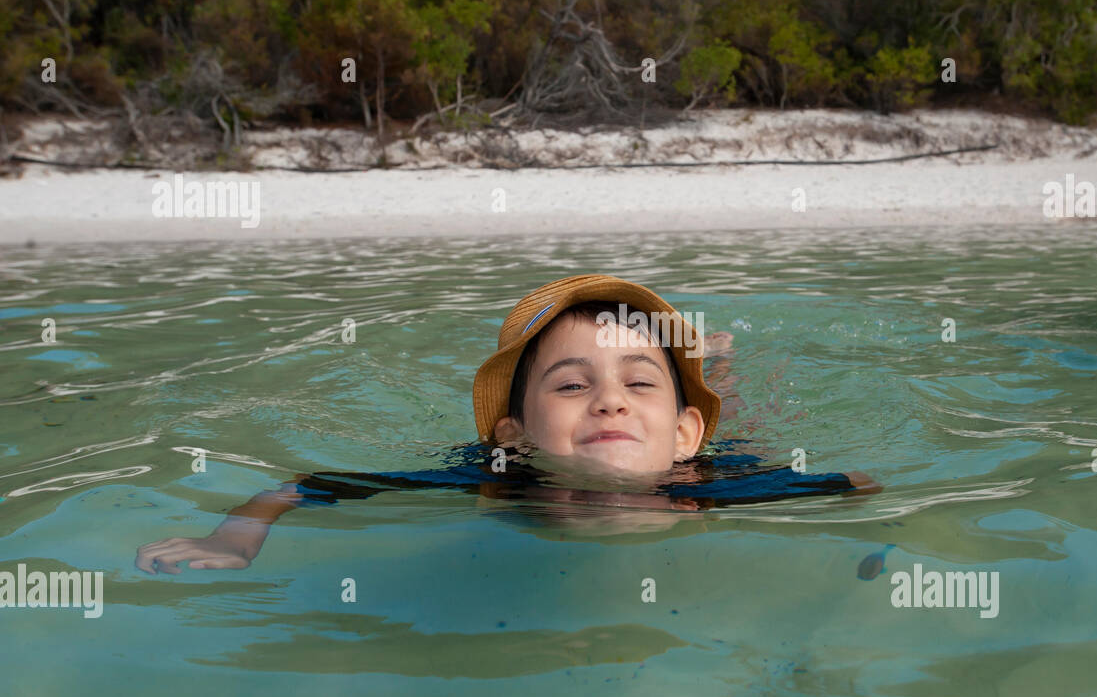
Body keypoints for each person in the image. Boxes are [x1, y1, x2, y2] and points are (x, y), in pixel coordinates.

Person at [136, 275, 881, 573]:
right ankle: (692, 362)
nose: (610, 402)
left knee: (741, 413)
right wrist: (234, 533)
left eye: (635, 382)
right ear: (515, 432)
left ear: (684, 435)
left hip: (699, 453)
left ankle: (711, 363)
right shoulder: (496, 474)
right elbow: (307, 484)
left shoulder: (716, 479)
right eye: (572, 382)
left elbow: (851, 484)